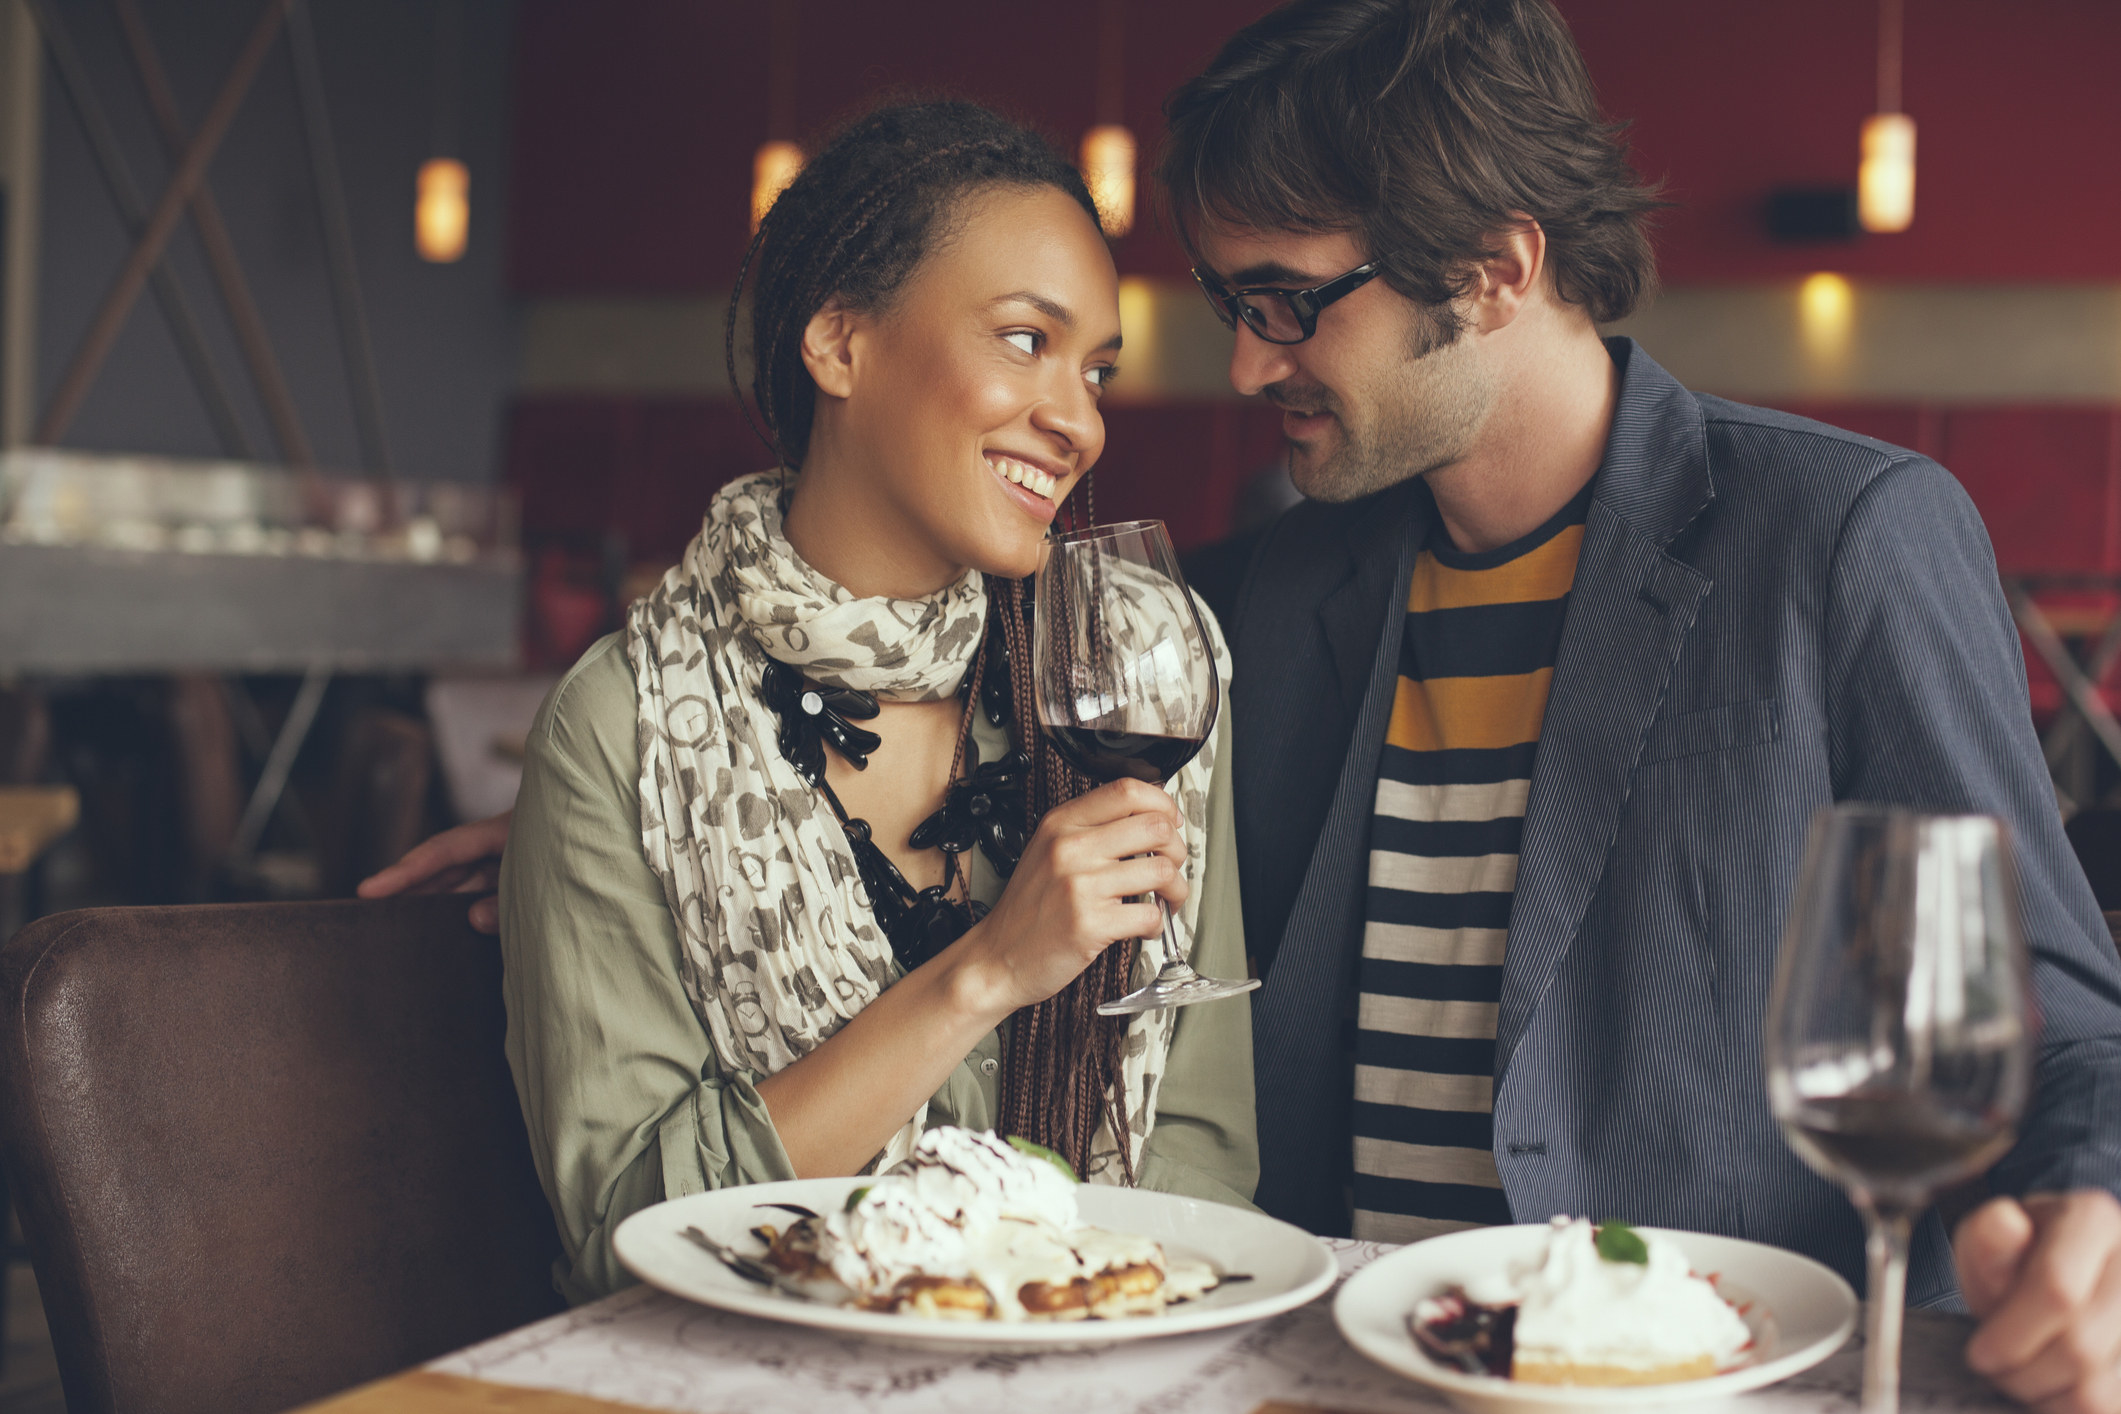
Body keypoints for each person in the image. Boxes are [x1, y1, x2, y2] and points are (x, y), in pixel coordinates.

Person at [1159, 1, 2121, 1408]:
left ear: (1495, 266)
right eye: (1229, 304)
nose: (1249, 363)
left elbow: (2064, 1027)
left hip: (1719, 1376)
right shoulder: (1273, 587)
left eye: (1290, 300)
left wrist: (2094, 1211)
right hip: (1336, 1372)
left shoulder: (1843, 537)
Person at [466, 101, 1253, 1305]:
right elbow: (626, 1225)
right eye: (1024, 340)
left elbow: (1202, 1153)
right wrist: (988, 969)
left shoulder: (1136, 662)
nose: (1080, 417)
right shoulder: (623, 727)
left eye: (1094, 368)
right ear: (840, 344)